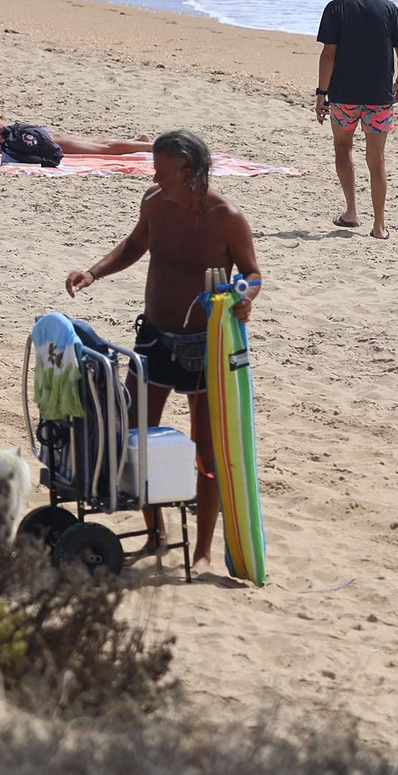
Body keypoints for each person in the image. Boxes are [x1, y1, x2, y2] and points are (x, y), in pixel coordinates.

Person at [64, 129, 262, 574]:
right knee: (136, 436)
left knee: (207, 452)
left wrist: (244, 297)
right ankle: (156, 535)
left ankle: (204, 550)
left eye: (162, 170)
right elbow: (135, 245)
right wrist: (94, 272)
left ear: (188, 174)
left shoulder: (227, 218)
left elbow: (251, 273)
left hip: (207, 346)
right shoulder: (155, 202)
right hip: (154, 339)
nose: (154, 176)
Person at [315, 0, 398, 240]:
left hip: (343, 95)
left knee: (343, 148)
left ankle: (351, 212)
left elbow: (328, 54)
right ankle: (379, 226)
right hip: (380, 96)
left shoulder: (335, 9)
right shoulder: (389, 9)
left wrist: (322, 93)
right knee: (377, 160)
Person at [0, 86, 153, 157]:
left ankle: (152, 146)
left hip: (41, 139)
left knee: (101, 149)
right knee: (95, 143)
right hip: (32, 141)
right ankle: (138, 140)